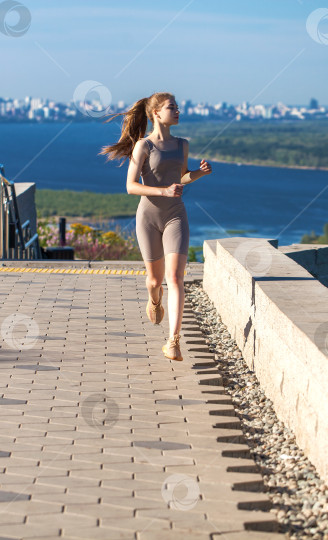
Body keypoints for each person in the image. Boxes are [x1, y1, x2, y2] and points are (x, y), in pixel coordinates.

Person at [100, 92, 212, 361]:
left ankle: (173, 342)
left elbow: (180, 176)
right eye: (171, 107)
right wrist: (163, 191)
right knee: (154, 281)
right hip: (148, 218)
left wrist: (198, 174)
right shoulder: (143, 146)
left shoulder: (182, 144)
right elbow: (130, 186)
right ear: (156, 114)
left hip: (176, 216)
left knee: (175, 278)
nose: (178, 111)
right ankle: (154, 300)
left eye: (177, 107)